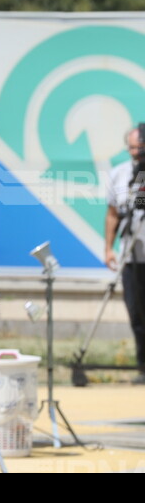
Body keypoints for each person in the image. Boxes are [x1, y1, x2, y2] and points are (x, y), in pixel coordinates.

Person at [104, 126, 145, 385]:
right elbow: (113, 214)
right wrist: (108, 247)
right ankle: (143, 365)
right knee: (136, 312)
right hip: (131, 256)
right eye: (131, 148)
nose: (135, 153)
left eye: (139, 149)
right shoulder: (120, 174)